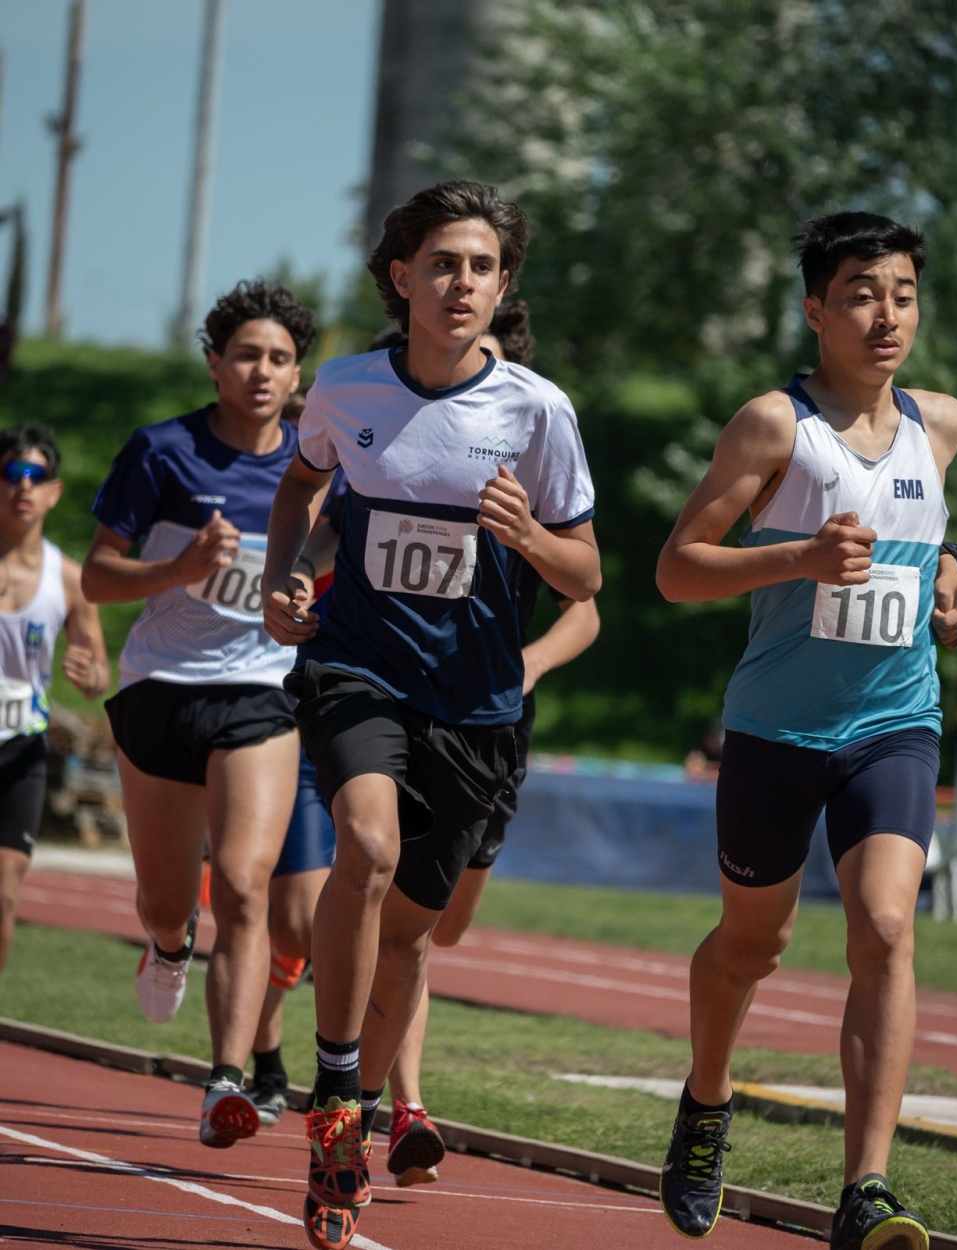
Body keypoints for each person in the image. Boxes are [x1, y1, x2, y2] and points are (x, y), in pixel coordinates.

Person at [261, 180, 601, 1250]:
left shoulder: (538, 410)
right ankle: (337, 1102)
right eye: (443, 263)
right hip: (360, 667)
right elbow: (302, 490)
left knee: (411, 932)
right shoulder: (348, 388)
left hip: (478, 700)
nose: (462, 283)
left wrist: (527, 537)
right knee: (362, 843)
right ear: (400, 276)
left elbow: (586, 573)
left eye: (483, 267)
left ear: (505, 287)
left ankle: (360, 1078)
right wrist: (288, 574)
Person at [654, 211, 957, 1250]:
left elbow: (922, 530)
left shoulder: (942, 424)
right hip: (777, 732)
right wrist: (792, 559)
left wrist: (951, 574)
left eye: (902, 293)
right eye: (861, 294)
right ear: (815, 309)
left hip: (893, 722)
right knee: (755, 943)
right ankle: (706, 1102)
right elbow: (677, 566)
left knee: (884, 927)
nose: (886, 315)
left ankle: (865, 1186)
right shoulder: (774, 427)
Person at [81, 279, 317, 1148]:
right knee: (166, 898)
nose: (262, 372)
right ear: (216, 364)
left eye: (281, 359)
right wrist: (177, 572)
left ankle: (227, 1078)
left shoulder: (312, 465)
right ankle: (167, 944)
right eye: (247, 355)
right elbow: (98, 577)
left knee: (246, 886)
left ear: (299, 376)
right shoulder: (162, 453)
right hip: (159, 690)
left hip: (259, 693)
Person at [382, 297, 601, 1187]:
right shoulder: (395, 436)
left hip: (492, 713)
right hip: (391, 696)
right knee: (390, 904)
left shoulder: (539, 442)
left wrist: (532, 662)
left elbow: (586, 602)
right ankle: (400, 1104)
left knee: (440, 924)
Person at [0, 425, 109, 974]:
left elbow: (98, 677)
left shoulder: (66, 577)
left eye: (35, 475)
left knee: (4, 891)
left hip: (20, 752)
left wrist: (87, 672)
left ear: (53, 490)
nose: (23, 485)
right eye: (12, 473)